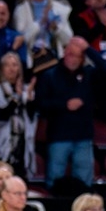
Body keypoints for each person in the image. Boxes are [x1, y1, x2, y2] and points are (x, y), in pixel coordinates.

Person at [37, 37, 100, 192]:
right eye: (70, 54)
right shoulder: (50, 75)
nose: (73, 59)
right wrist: (64, 105)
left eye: (78, 56)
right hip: (59, 136)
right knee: (55, 178)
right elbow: (41, 104)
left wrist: (89, 49)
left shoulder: (89, 75)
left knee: (84, 181)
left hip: (83, 137)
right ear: (64, 53)